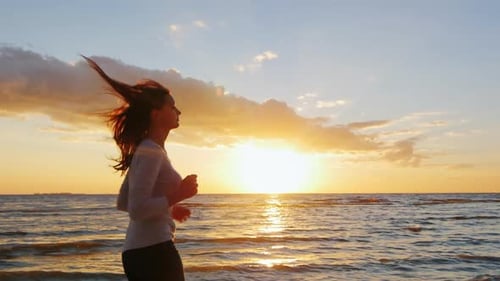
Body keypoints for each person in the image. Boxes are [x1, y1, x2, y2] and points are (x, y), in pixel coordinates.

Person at [84, 56, 198, 281]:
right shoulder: (150, 151)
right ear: (155, 114)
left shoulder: (147, 150)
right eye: (172, 107)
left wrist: (170, 209)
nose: (179, 112)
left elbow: (124, 201)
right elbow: (136, 209)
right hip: (153, 252)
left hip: (140, 252)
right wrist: (177, 195)